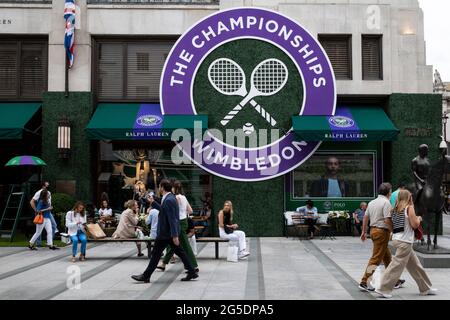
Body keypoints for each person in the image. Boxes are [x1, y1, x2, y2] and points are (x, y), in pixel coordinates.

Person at [131, 179, 198, 283]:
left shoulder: (169, 199)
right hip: (167, 233)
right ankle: (191, 271)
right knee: (179, 252)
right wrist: (153, 203)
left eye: (159, 186)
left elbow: (173, 219)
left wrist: (175, 235)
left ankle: (146, 276)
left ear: (162, 187)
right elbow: (164, 211)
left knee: (157, 254)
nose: (158, 188)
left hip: (166, 234)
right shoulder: (169, 198)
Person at [375, 190, 437, 298]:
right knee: (395, 266)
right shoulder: (409, 208)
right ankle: (383, 288)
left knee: (415, 266)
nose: (411, 198)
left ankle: (425, 288)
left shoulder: (394, 209)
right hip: (405, 241)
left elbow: (387, 221)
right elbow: (414, 224)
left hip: (397, 239)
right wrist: (419, 219)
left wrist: (394, 231)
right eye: (410, 196)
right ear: (408, 198)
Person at [358, 183, 404, 292]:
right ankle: (364, 281)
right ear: (388, 192)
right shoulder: (386, 203)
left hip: (373, 231)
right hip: (382, 232)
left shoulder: (372, 202)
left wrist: (363, 232)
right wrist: (394, 231)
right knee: (376, 258)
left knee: (387, 258)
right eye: (391, 191)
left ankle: (395, 280)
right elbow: (387, 220)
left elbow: (365, 217)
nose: (391, 193)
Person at [156, 181, 199, 273]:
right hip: (184, 221)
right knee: (174, 243)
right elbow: (190, 211)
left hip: (178, 222)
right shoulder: (183, 197)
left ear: (173, 188)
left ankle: (194, 266)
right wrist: (183, 212)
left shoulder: (174, 198)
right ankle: (163, 263)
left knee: (184, 245)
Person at [30, 181, 58, 247]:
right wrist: (47, 209)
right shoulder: (41, 200)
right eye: (46, 186)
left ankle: (50, 244)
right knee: (38, 232)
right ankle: (32, 243)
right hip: (42, 217)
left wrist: (49, 209)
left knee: (50, 230)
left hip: (47, 216)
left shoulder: (47, 199)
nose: (49, 195)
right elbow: (37, 209)